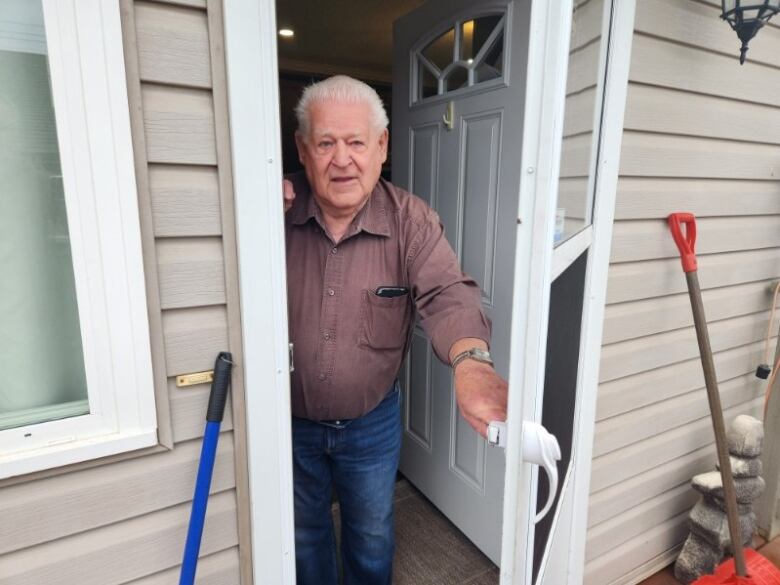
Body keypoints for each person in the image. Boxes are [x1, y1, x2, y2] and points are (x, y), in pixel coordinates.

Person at [283, 75, 507, 585]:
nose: (342, 159)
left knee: (371, 532)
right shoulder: (275, 210)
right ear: (303, 148)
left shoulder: (413, 222)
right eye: (325, 143)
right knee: (302, 531)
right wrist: (248, 208)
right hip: (288, 421)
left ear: (381, 146)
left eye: (356, 142)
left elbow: (449, 292)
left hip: (371, 423)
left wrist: (472, 363)